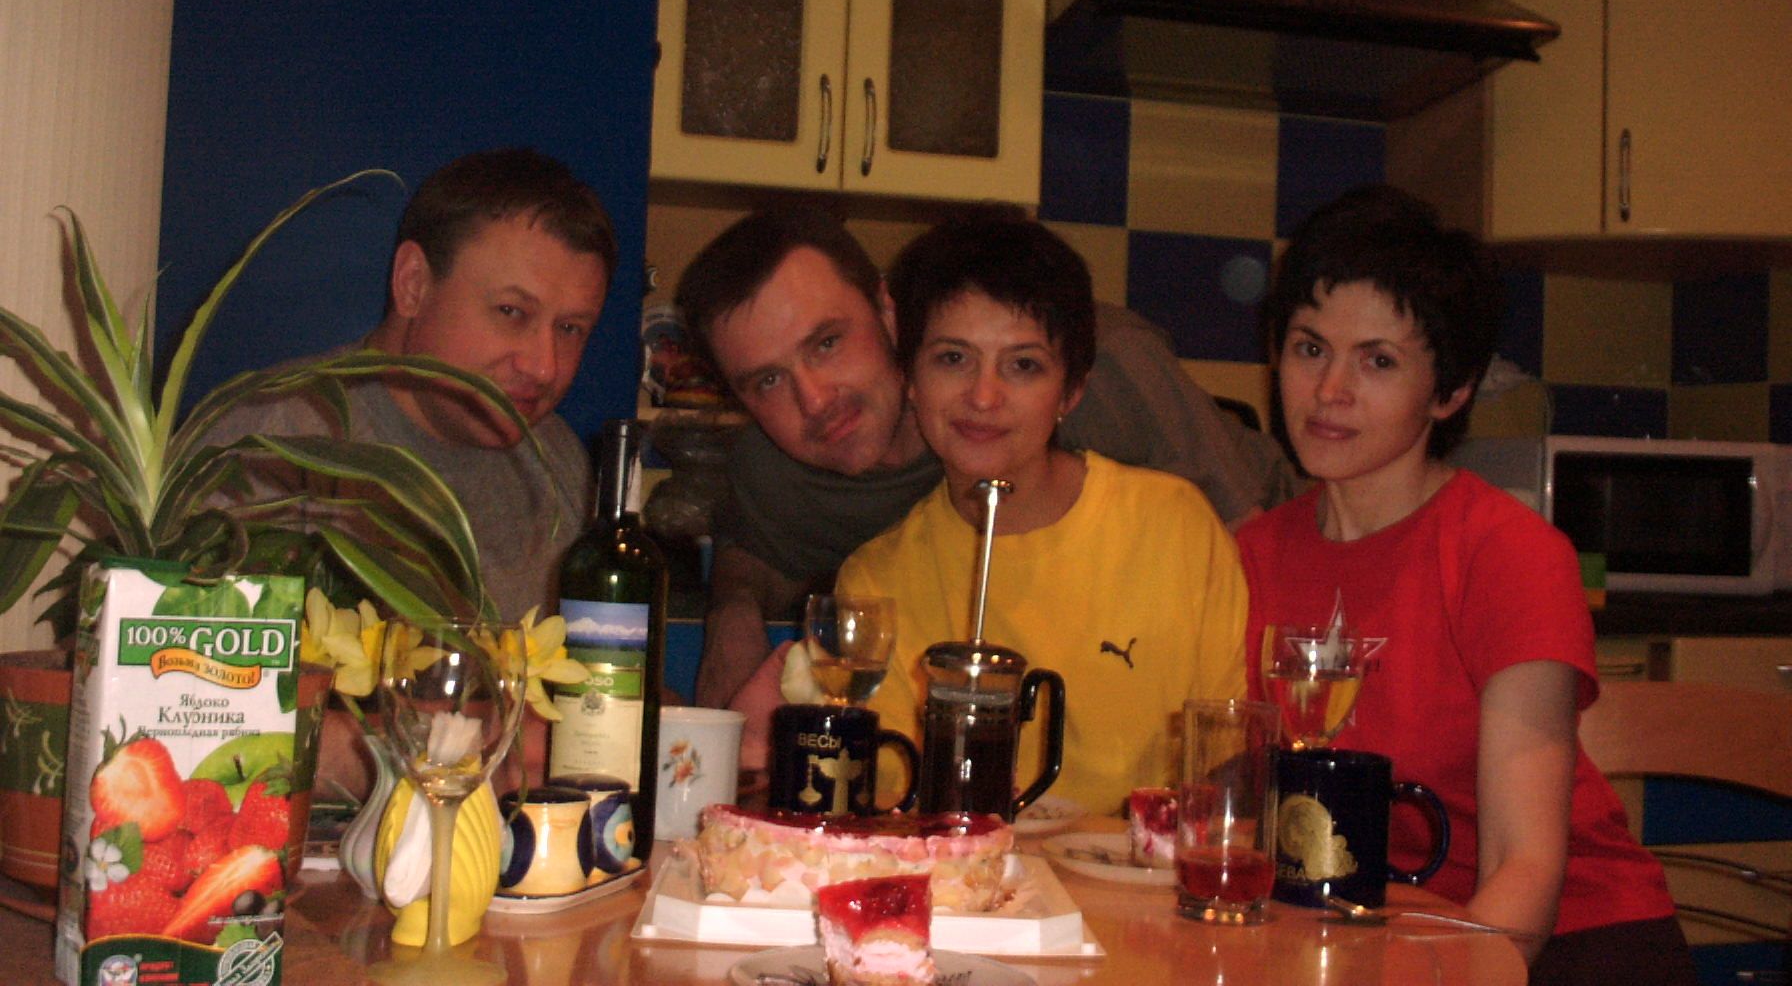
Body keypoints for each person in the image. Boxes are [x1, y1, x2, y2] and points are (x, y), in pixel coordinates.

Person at [1237, 186, 1693, 981]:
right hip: (1362, 939)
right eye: (1310, 348)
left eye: (1378, 361)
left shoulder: (1508, 554)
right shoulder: (1250, 553)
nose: (1330, 389)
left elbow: (1525, 871)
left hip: (1563, 945)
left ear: (1450, 392)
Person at [675, 204, 1299, 709]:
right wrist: (732, 613)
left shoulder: (1106, 373)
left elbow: (1254, 552)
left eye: (827, 342)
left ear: (889, 312)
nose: (813, 400)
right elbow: (757, 549)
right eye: (767, 381)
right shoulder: (775, 469)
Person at [830, 215, 1247, 814]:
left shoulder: (1176, 526)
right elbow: (892, 802)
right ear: (911, 378)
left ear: (1071, 391)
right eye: (953, 358)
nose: (984, 396)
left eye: (1023, 365)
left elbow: (1227, 758)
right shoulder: (876, 582)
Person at [203, 146, 615, 621]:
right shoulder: (269, 441)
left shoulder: (558, 461)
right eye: (511, 312)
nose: (543, 367)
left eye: (571, 329)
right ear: (413, 283)